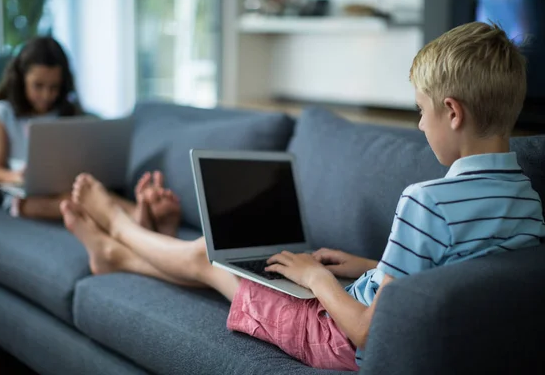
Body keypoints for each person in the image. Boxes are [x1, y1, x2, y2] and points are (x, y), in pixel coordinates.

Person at [60, 22, 545, 371]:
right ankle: (114, 256)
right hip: (370, 309)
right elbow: (441, 279)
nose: (420, 126)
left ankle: (118, 226)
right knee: (235, 270)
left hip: (335, 336)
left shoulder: (427, 200)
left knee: (208, 259)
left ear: (452, 112)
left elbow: (367, 332)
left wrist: (315, 277)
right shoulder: (526, 198)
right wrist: (363, 265)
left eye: (421, 112)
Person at [0, 36, 179, 221]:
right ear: (21, 79)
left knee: (93, 194)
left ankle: (142, 214)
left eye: (54, 87)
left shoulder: (66, 110)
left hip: (69, 186)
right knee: (75, 202)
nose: (46, 95)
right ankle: (139, 219)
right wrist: (20, 176)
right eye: (38, 86)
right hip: (25, 199)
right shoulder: (2, 112)